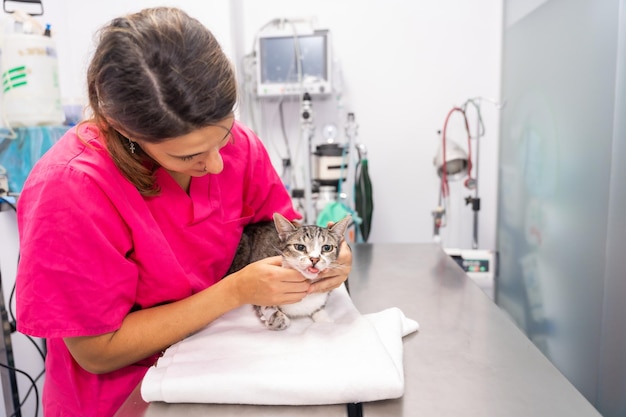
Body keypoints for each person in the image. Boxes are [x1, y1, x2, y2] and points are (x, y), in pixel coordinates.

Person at [15, 7, 352, 417]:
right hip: (125, 399)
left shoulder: (240, 149)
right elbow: (96, 352)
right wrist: (234, 291)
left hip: (219, 367)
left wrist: (334, 258)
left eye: (223, 136)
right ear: (125, 130)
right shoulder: (70, 189)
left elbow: (278, 230)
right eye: (188, 155)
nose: (217, 165)